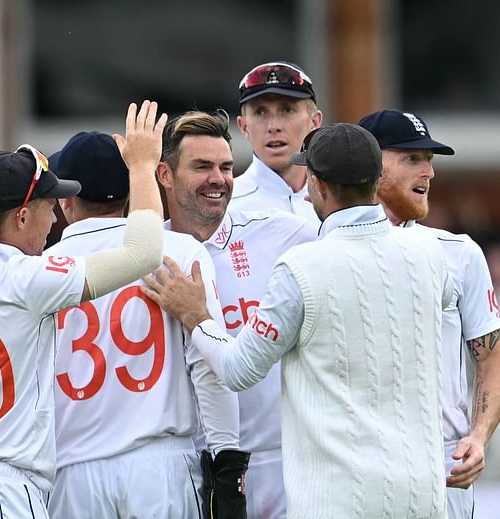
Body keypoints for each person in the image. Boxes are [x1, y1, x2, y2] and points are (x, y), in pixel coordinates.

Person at [144, 123, 453, 518]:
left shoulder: (302, 266)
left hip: (339, 498)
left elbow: (238, 370)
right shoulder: (429, 251)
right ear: (377, 182)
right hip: (422, 493)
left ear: (317, 185)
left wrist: (198, 317)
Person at [0, 101, 168, 518]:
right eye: (46, 209)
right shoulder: (25, 279)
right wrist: (144, 166)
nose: (54, 222)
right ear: (21, 217)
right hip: (2, 491)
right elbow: (144, 252)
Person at [45, 131, 242, 518]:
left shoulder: (39, 271)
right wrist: (226, 462)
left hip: (72, 473)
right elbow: (209, 369)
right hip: (160, 469)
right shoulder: (180, 252)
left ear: (65, 201)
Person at [156, 109, 317, 519]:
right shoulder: (144, 255)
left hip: (284, 465)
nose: (219, 179)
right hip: (184, 470)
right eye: (202, 166)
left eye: (227, 167)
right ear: (165, 175)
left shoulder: (285, 233)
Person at [357, 109, 500, 518]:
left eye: (429, 160)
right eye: (411, 158)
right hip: (360, 465)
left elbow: (491, 365)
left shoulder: (459, 253)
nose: (429, 172)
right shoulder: (324, 252)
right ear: (370, 163)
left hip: (444, 464)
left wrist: (478, 438)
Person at [229, 61, 322, 223]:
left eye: (287, 110)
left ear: (314, 122)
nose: (274, 127)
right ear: (244, 127)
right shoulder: (225, 207)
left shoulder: (340, 201)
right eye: (260, 112)